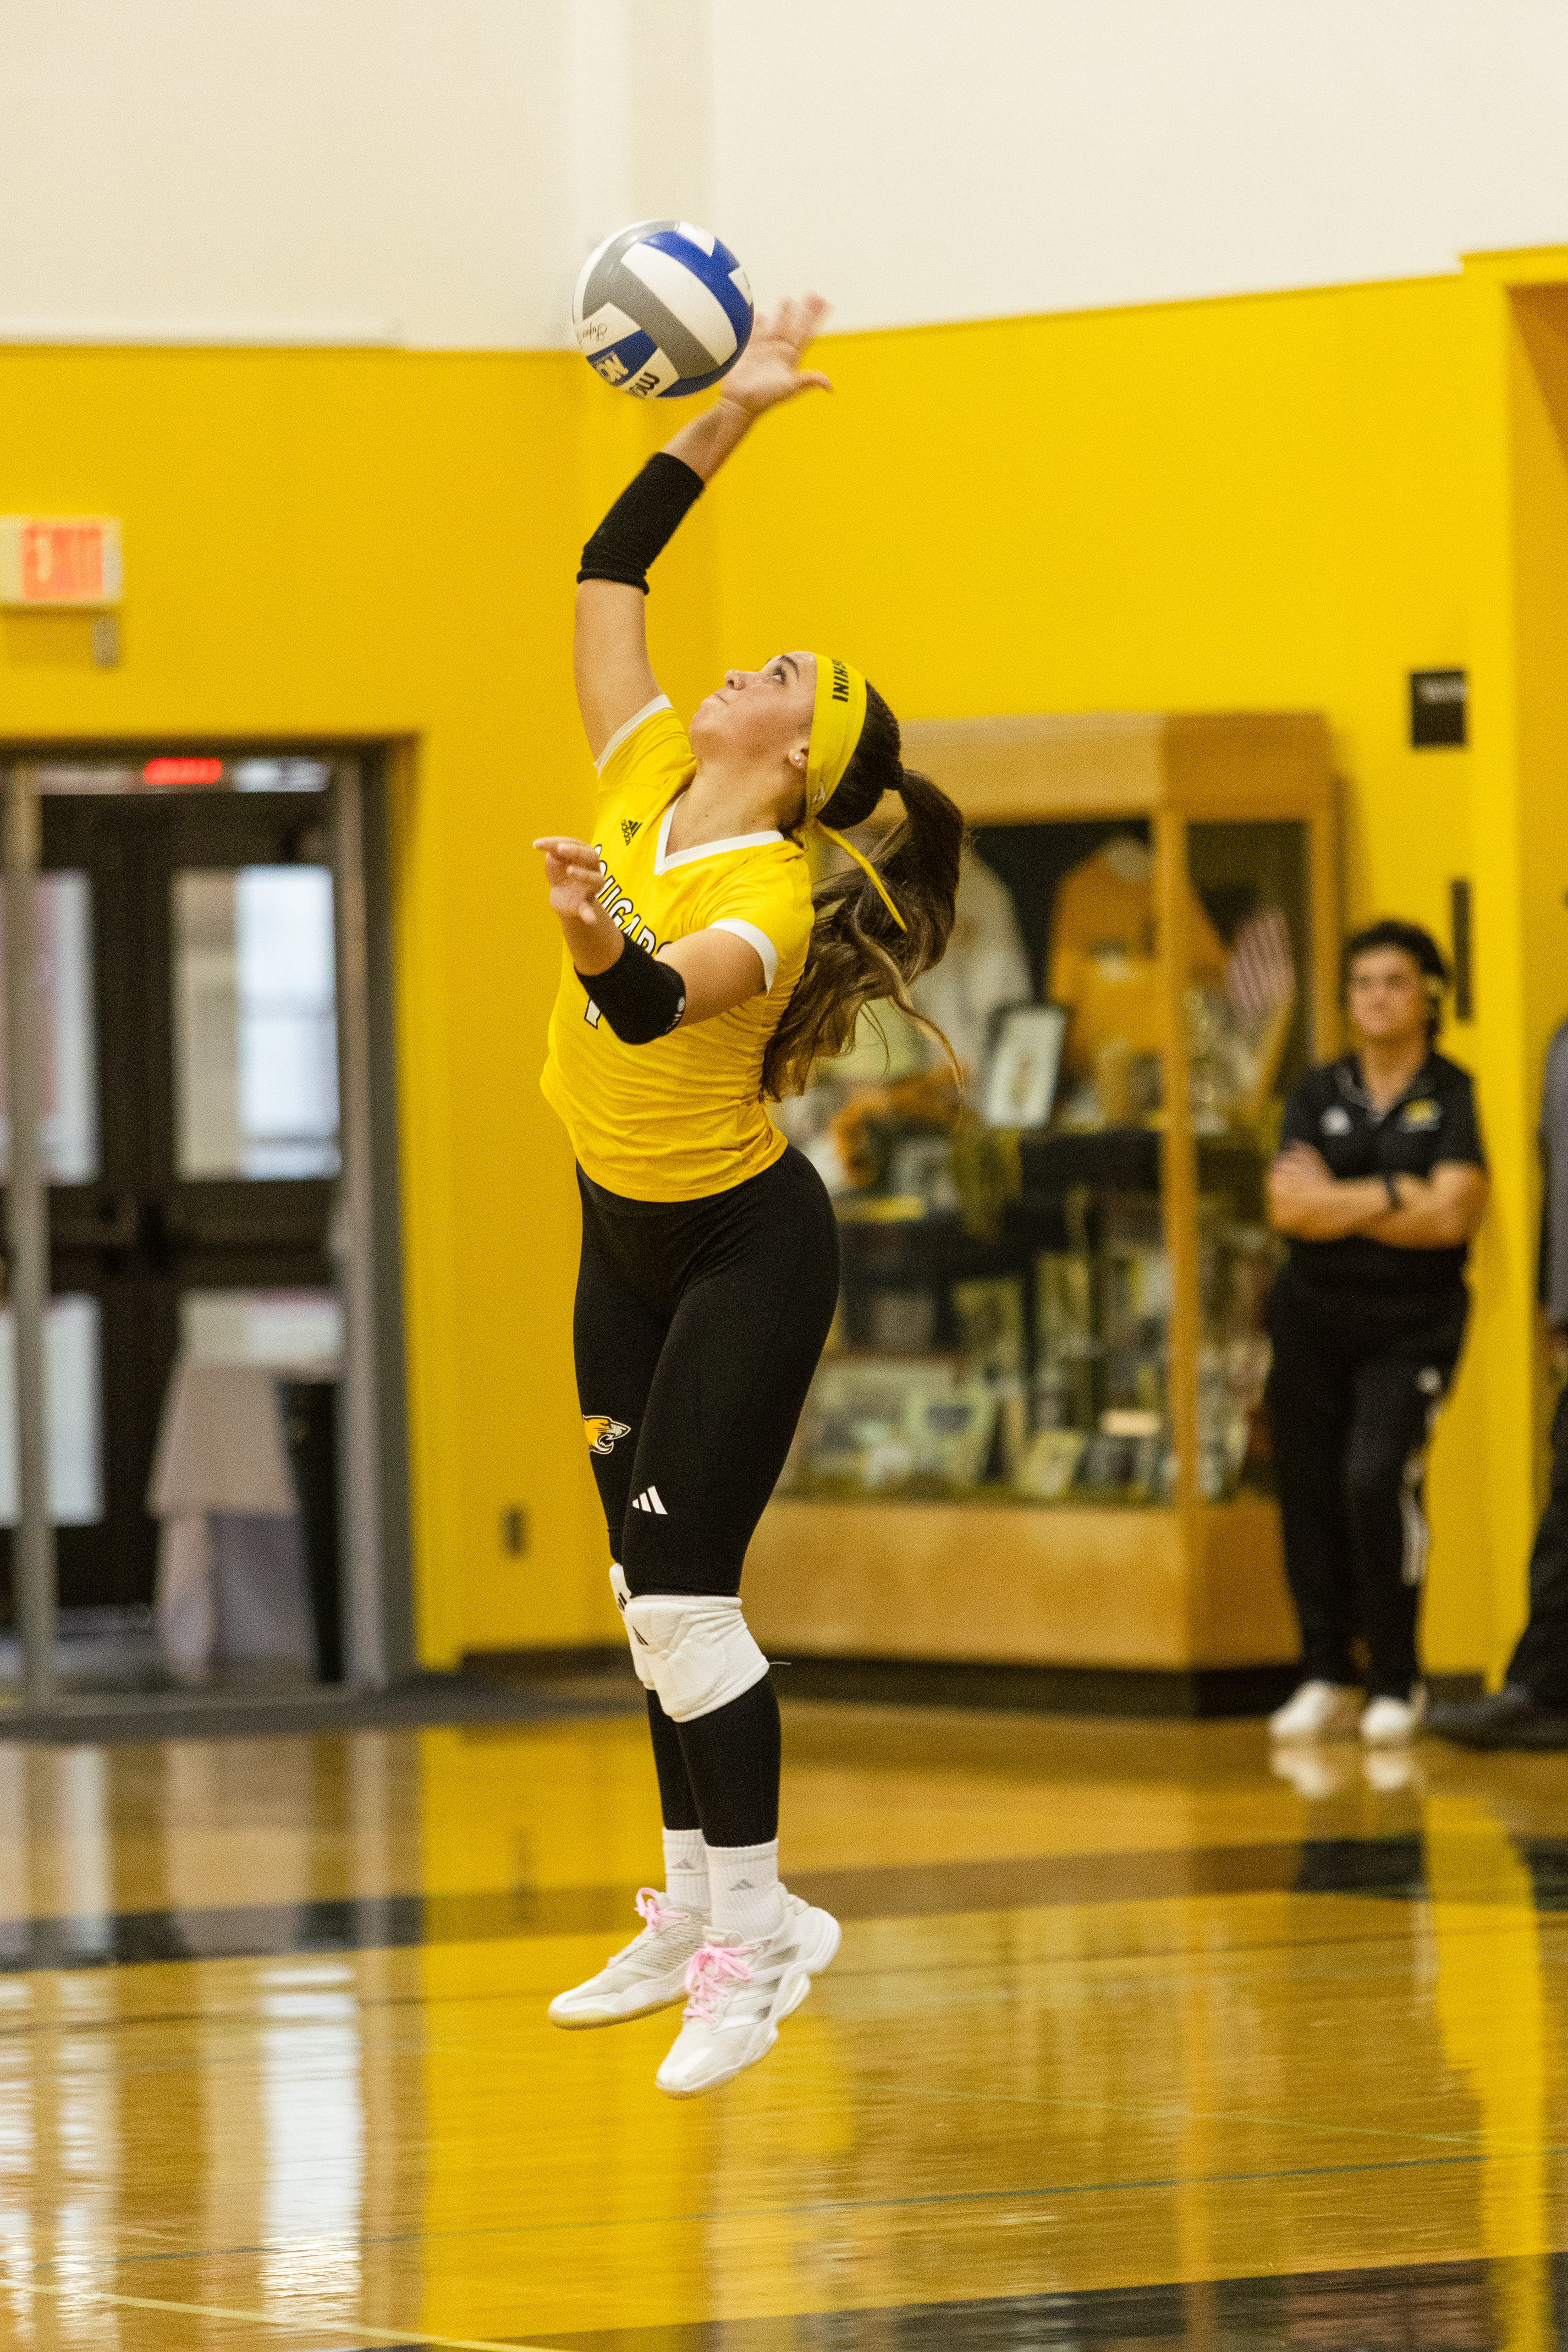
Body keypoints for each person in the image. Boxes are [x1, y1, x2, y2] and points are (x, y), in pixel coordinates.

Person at [532, 296, 963, 2097]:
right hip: (617, 1232)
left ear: (799, 752)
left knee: (687, 1602)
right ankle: (691, 1902)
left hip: (738, 1247)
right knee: (643, 1591)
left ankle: (759, 1936)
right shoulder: (645, 770)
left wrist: (589, 931)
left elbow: (655, 999)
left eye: (778, 671)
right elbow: (608, 561)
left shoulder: (770, 896)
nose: (739, 666)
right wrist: (740, 410)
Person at [1264, 920, 1488, 1748]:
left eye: (1394, 982)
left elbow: (1453, 1215)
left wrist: (1341, 1199)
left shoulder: (1452, 1092)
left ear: (1426, 995)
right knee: (1308, 1491)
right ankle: (1325, 1672)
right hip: (1311, 1321)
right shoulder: (1315, 1091)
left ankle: (1397, 1679)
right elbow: (1287, 1207)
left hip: (1410, 1329)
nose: (1377, 998)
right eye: (1362, 984)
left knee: (1373, 1479)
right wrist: (1397, 1193)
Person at [1430, 1016, 1568, 1749]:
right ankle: (1541, 1691)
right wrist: (1553, 1298)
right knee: (1565, 1507)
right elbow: (1558, 1180)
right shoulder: (1560, 1043)